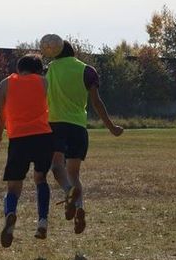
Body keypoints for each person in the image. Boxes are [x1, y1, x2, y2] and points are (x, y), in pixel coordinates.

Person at [46, 40, 124, 234]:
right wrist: (111, 127)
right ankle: (79, 207)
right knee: (73, 173)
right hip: (78, 128)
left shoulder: (49, 69)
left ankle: (68, 192)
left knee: (56, 167)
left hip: (56, 126)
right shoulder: (87, 70)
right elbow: (97, 102)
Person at [0, 54, 53, 247]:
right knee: (40, 179)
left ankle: (10, 213)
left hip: (18, 138)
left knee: (13, 186)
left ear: (19, 68)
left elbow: (0, 115)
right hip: (42, 136)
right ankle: (42, 221)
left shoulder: (5, 84)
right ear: (38, 70)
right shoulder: (43, 82)